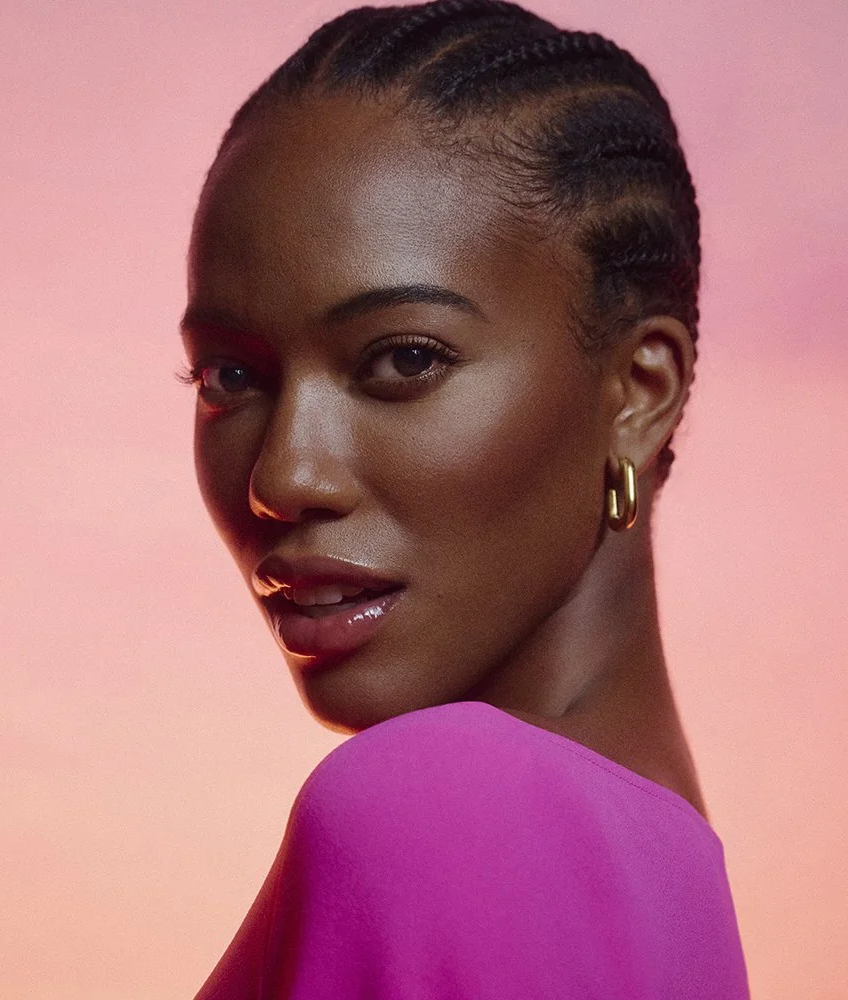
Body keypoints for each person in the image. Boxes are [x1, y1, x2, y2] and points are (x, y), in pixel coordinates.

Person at [178, 1, 748, 996]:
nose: (283, 477)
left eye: (402, 358)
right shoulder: (669, 899)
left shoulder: (446, 813)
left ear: (638, 394)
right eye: (231, 376)